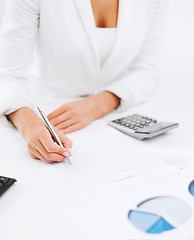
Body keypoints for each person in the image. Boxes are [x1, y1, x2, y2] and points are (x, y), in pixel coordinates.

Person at [0, 0, 168, 163]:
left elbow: (148, 70)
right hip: (48, 115)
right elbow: (8, 75)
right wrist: (30, 125)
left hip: (119, 115)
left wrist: (99, 104)